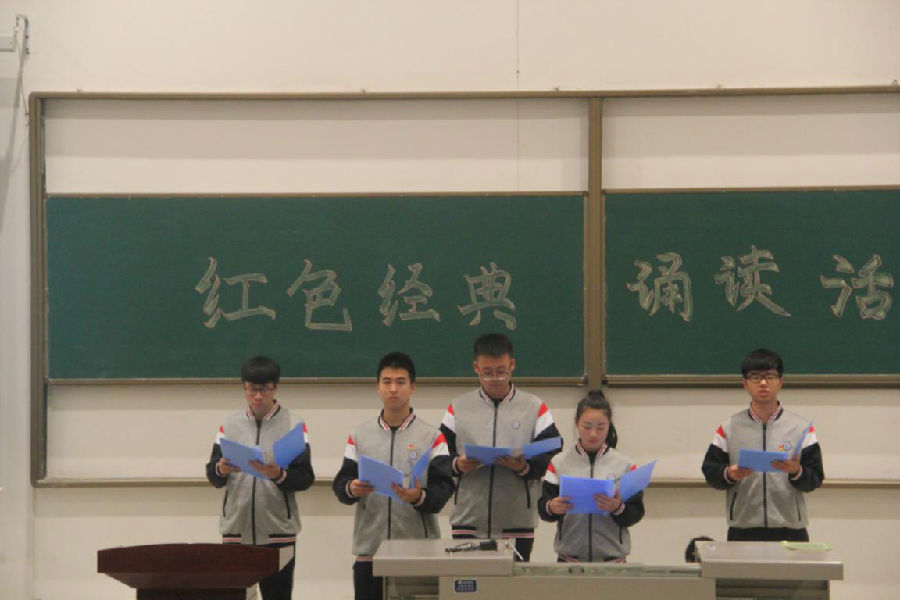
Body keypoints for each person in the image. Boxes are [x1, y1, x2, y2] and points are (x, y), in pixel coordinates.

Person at [333, 352, 454, 600]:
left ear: (413, 387)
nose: (393, 389)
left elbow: (444, 489)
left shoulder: (433, 437)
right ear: (377, 387)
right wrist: (352, 488)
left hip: (418, 552)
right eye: (387, 382)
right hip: (370, 552)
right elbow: (340, 485)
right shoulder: (359, 435)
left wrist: (418, 497)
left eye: (400, 382)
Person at [439, 333, 562, 561]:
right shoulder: (458, 407)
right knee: (470, 582)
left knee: (512, 582)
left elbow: (552, 452)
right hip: (468, 518)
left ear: (512, 365)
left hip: (517, 519)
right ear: (476, 368)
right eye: (487, 372)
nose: (495, 378)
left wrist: (524, 467)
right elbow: (438, 457)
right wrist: (457, 464)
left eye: (501, 371)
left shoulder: (535, 407)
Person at [205, 356, 315, 600]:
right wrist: (220, 469)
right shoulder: (229, 425)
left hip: (278, 532)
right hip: (236, 530)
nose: (257, 396)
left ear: (275, 388)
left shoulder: (294, 425)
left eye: (263, 389)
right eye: (251, 389)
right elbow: (213, 474)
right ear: (244, 387)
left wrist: (279, 475)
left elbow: (305, 478)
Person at [702, 348, 824, 542]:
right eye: (755, 377)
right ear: (745, 384)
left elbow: (815, 478)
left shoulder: (801, 428)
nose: (763, 383)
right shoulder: (729, 427)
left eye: (770, 376)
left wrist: (796, 471)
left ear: (780, 382)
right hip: (743, 529)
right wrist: (729, 474)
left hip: (791, 529)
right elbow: (710, 472)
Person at [538, 390, 645, 562]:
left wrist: (618, 507)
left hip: (613, 561)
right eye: (586, 427)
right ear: (576, 423)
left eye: (600, 427)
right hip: (569, 560)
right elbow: (543, 507)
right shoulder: (558, 462)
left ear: (609, 425)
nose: (593, 434)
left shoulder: (625, 465)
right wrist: (552, 507)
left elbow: (636, 512)